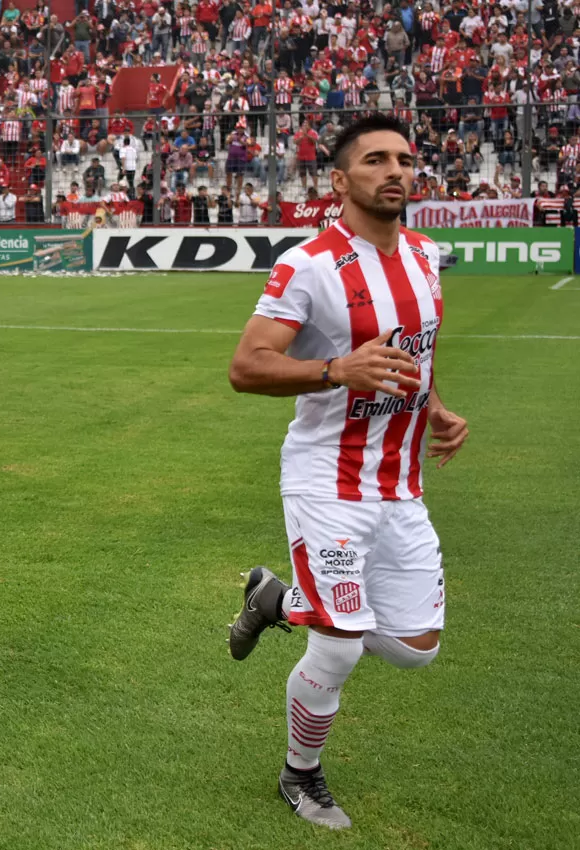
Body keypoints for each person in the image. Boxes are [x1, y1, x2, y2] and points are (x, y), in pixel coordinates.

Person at [226, 114, 469, 830]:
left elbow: (411, 362)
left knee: (417, 649)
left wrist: (436, 408)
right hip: (326, 481)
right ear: (340, 180)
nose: (394, 170)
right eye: (374, 160)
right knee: (336, 646)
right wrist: (335, 369)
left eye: (403, 158)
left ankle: (279, 599)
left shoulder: (426, 257)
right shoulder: (309, 265)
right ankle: (300, 776)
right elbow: (246, 367)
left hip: (399, 485)